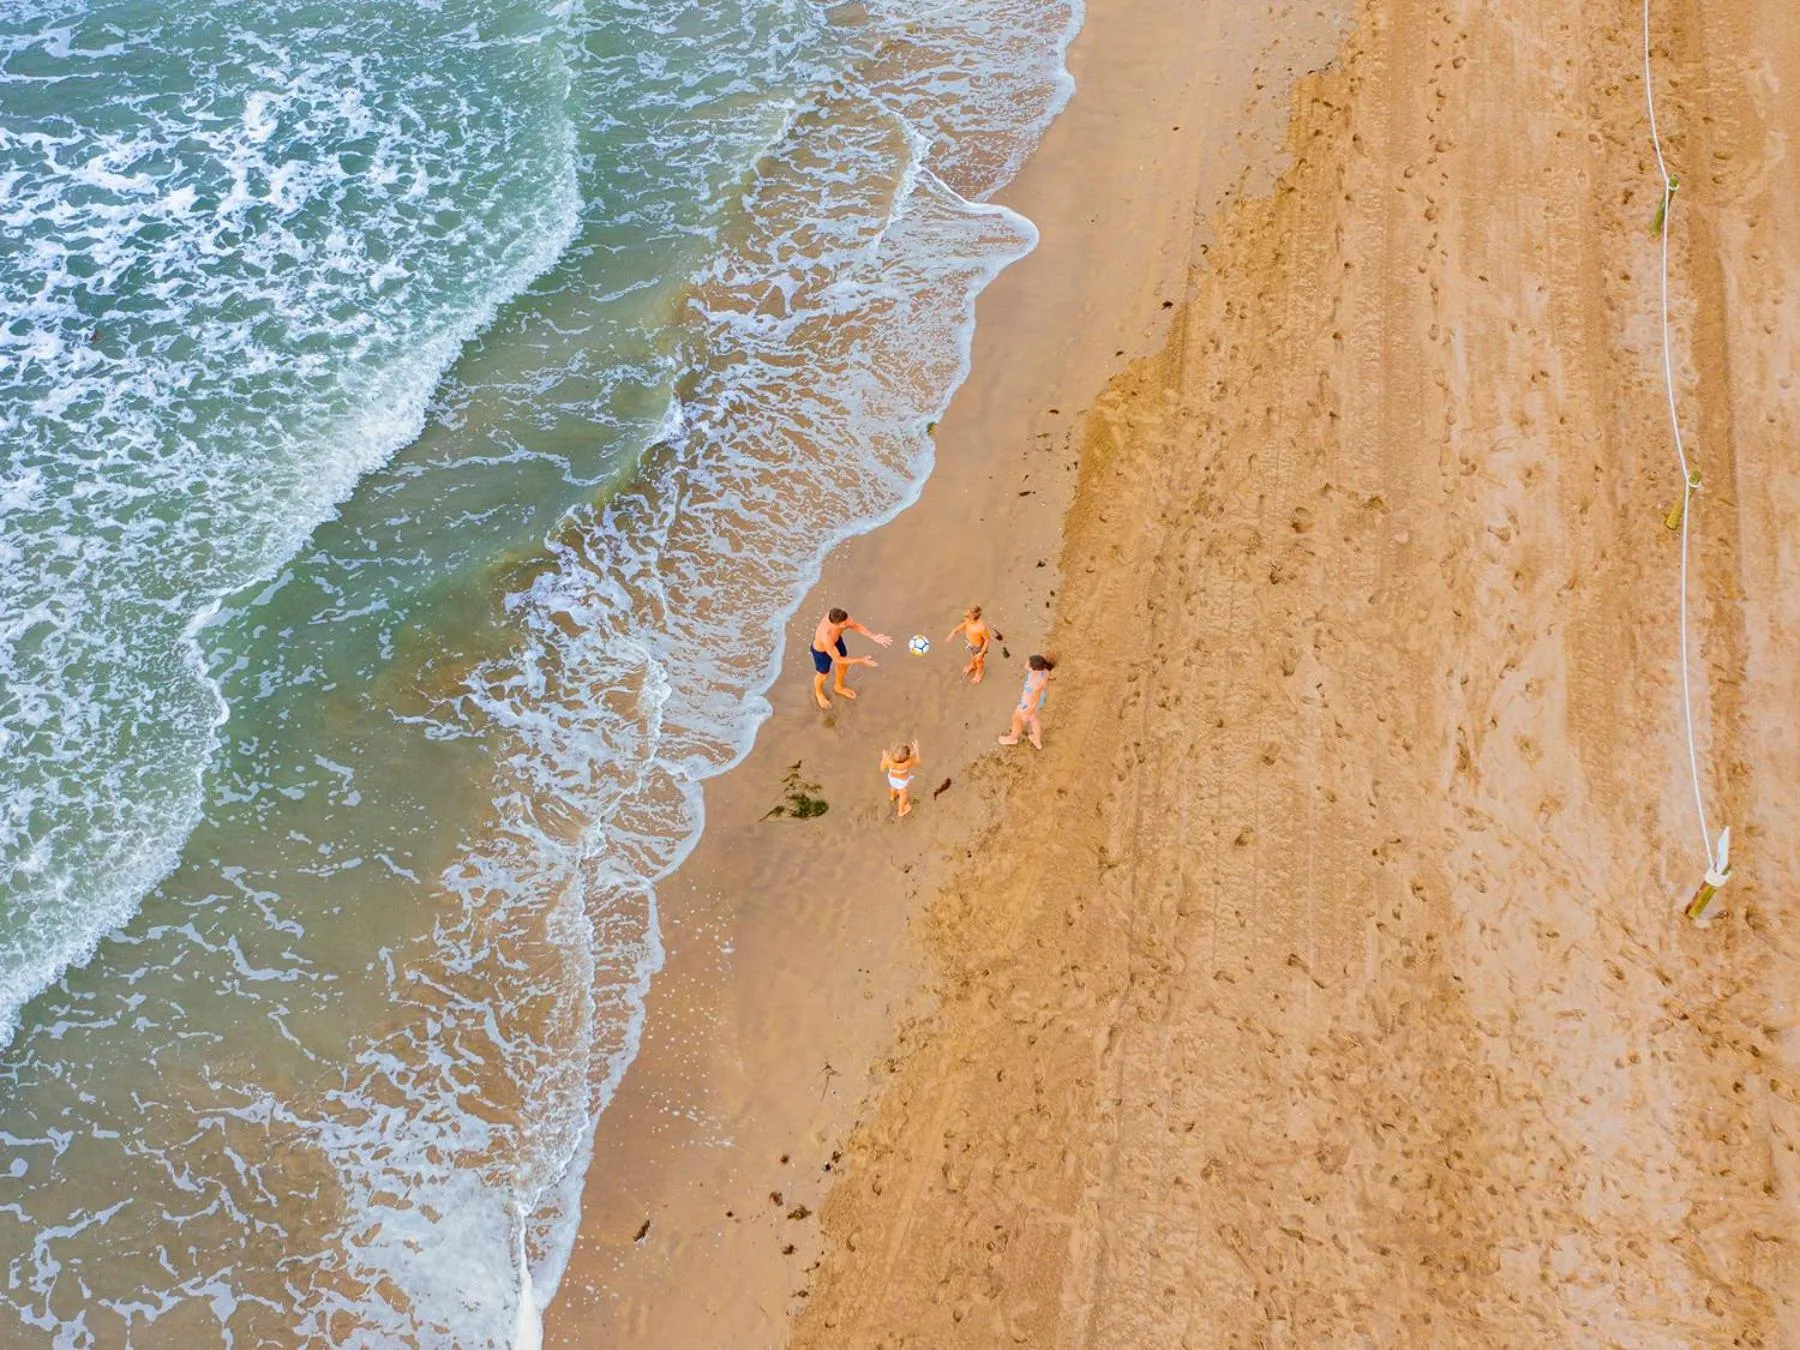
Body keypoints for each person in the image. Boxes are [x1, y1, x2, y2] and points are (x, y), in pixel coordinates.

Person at [809, 607, 893, 710]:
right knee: (823, 675)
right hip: (821, 651)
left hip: (836, 641)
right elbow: (837, 659)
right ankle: (819, 693)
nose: (848, 624)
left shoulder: (840, 616)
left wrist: (873, 637)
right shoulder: (826, 636)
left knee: (843, 665)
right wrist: (861, 660)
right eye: (844, 624)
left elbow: (855, 626)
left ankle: (838, 687)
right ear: (835, 624)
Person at [998, 653, 1055, 750]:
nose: (1025, 664)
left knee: (1016, 718)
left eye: (1028, 664)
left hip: (1028, 703)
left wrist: (1028, 711)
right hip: (1040, 698)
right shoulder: (1044, 671)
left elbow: (1034, 699)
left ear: (1034, 669)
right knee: (1033, 718)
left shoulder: (1035, 684)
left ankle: (1013, 738)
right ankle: (1037, 740)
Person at [945, 605, 992, 684]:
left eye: (967, 617)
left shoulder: (981, 628)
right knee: (972, 656)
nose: (965, 619)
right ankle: (973, 665)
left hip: (979, 647)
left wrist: (981, 653)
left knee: (979, 660)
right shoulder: (968, 621)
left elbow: (987, 640)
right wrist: (954, 632)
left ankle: (980, 672)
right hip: (971, 644)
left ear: (973, 619)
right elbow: (963, 626)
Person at [879, 738, 922, 819]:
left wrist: (883, 757)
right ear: (908, 756)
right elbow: (918, 762)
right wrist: (916, 750)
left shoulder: (889, 760)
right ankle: (901, 811)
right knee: (903, 795)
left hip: (892, 779)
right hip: (902, 782)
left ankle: (892, 797)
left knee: (893, 788)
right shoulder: (908, 763)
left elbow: (881, 769)